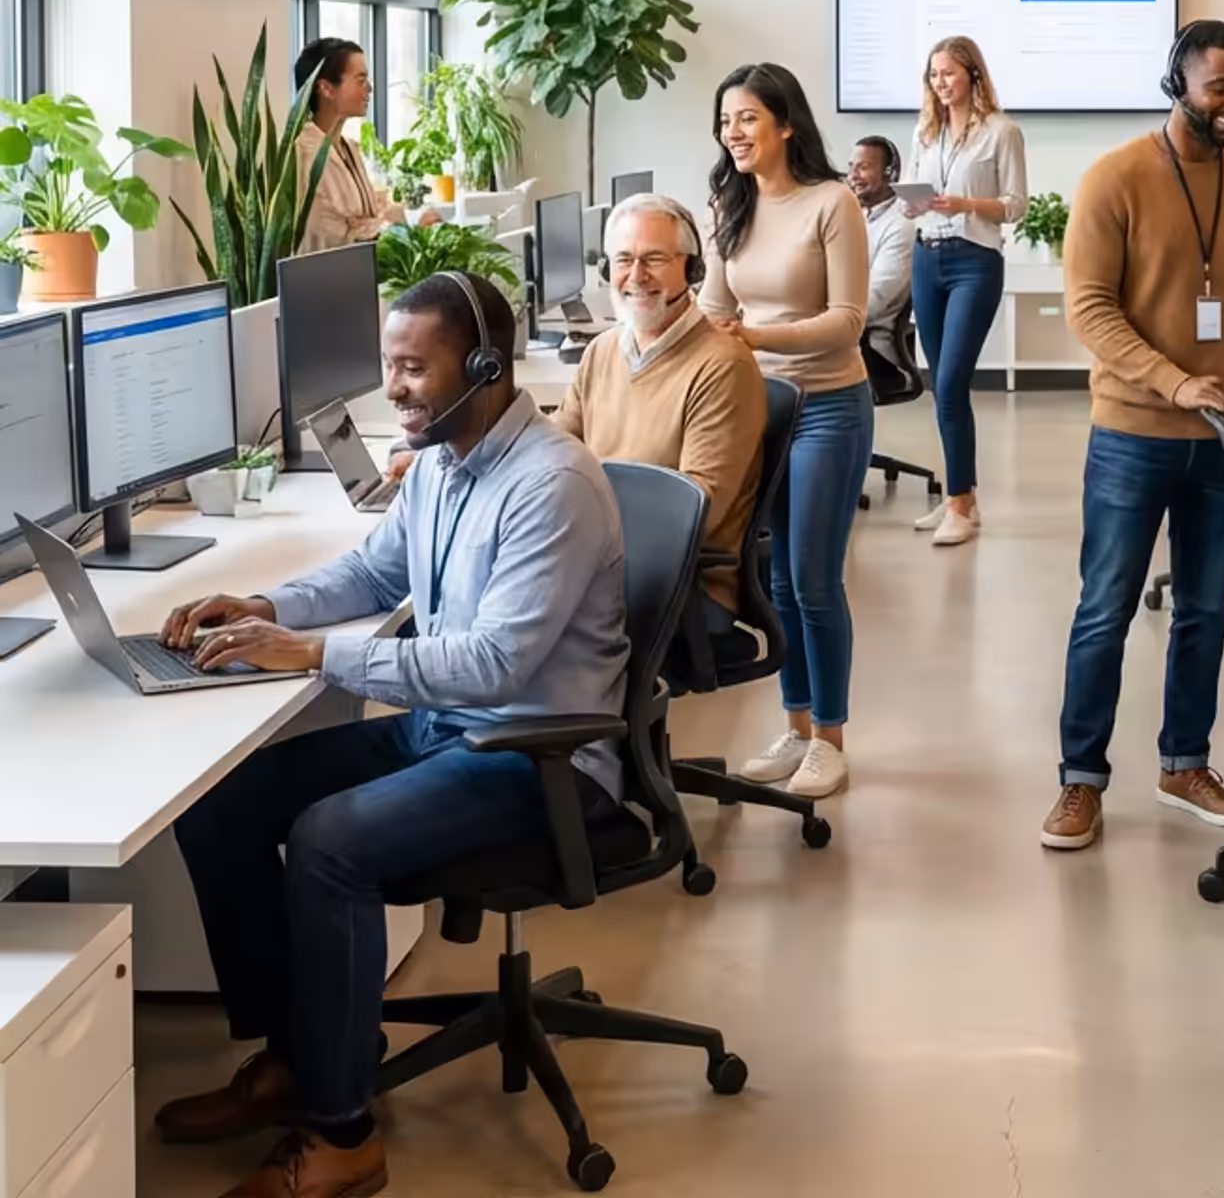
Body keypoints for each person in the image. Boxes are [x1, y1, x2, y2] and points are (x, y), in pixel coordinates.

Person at [150, 272, 628, 1198]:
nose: (395, 388)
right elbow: (374, 573)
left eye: (413, 368)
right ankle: (301, 1057)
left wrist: (312, 654)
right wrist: (266, 606)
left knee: (331, 842)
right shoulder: (443, 459)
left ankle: (344, 1135)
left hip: (538, 752)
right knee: (223, 805)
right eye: (389, 366)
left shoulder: (552, 484)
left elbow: (496, 665)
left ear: (484, 368)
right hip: (449, 727)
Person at [1044, 20, 1224, 853]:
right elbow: (1089, 309)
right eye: (1220, 88)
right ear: (1176, 84)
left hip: (1221, 438)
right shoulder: (1114, 178)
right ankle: (1080, 779)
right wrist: (1174, 380)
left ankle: (1185, 764)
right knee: (1104, 610)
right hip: (1132, 433)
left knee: (1205, 611)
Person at [701, 63, 871, 801]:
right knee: (774, 583)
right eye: (725, 121)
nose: (733, 133)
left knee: (813, 579)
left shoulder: (832, 202)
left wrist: (756, 337)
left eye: (747, 119)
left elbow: (847, 321)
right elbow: (714, 308)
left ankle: (831, 738)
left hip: (829, 404)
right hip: (760, 408)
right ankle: (796, 728)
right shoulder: (729, 202)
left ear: (786, 124)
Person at [556, 193, 766, 627]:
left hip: (678, 587)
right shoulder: (602, 351)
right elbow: (553, 447)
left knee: (515, 634)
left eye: (654, 259)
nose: (636, 275)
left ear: (693, 269)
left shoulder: (723, 366)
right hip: (603, 564)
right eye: (623, 260)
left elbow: (696, 511)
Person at [903, 35, 1027, 547]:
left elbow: (1015, 204)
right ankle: (963, 497)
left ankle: (958, 503)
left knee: (953, 381)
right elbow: (911, 191)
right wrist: (912, 203)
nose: (941, 83)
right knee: (941, 384)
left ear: (973, 75)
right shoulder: (924, 131)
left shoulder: (1002, 131)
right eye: (934, 75)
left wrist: (966, 205)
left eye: (949, 73)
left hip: (974, 261)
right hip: (926, 257)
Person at [292, 37, 438, 254]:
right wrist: (394, 226)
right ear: (326, 88)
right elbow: (330, 233)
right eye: (360, 80)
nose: (369, 88)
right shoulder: (303, 154)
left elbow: (370, 212)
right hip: (330, 272)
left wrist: (409, 218)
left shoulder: (349, 147)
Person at [848, 135, 914, 334]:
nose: (852, 176)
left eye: (863, 167)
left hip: (868, 339)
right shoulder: (853, 215)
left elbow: (875, 302)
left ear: (890, 174)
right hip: (839, 326)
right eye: (851, 167)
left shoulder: (902, 225)